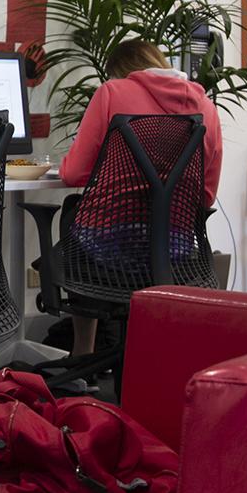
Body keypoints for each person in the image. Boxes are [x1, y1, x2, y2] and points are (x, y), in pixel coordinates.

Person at [59, 37, 222, 356]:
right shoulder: (206, 107)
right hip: (174, 251)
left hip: (105, 248)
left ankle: (83, 353)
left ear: (120, 72)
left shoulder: (112, 93)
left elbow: (72, 174)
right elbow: (206, 197)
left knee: (72, 211)